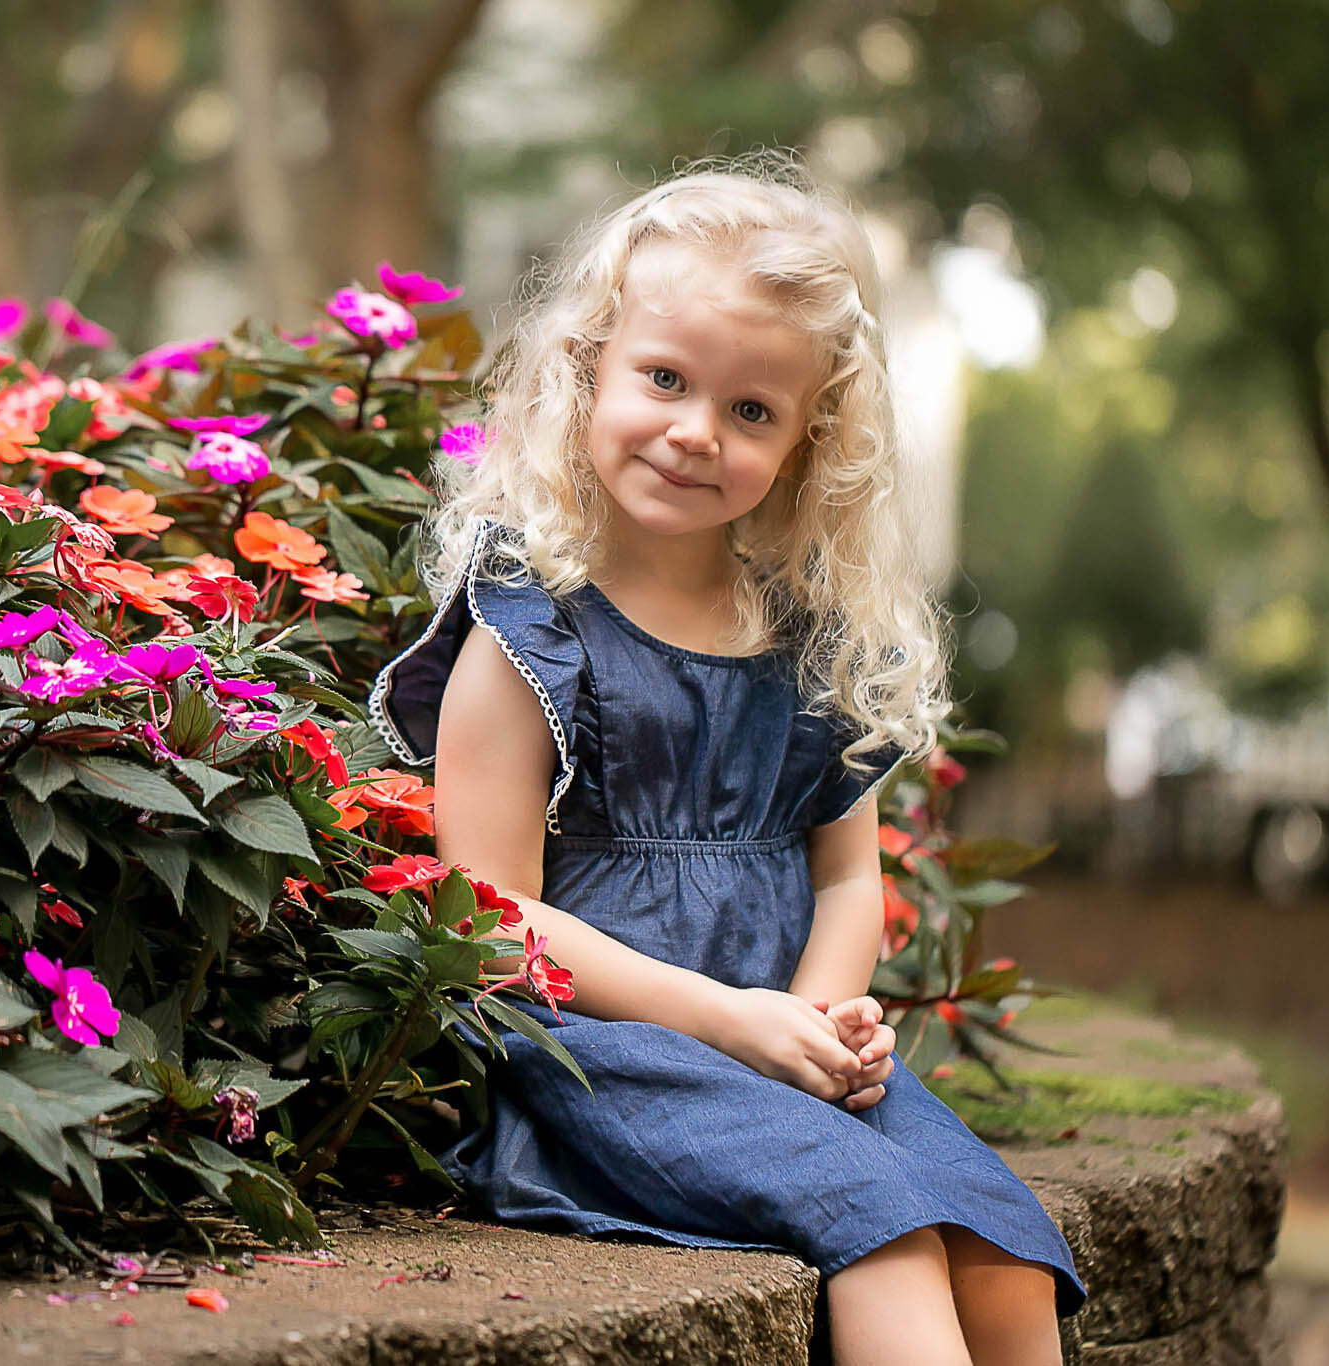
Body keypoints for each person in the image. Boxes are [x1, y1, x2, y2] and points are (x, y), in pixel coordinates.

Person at [369, 161, 1086, 1365]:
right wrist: (734, 1026)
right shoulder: (528, 632)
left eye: (752, 411)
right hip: (605, 1058)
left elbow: (847, 876)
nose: (696, 431)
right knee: (890, 1236)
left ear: (810, 442)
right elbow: (490, 920)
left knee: (1004, 1249)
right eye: (662, 378)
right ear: (584, 366)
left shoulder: (804, 640)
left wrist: (821, 1013)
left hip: (785, 1054)